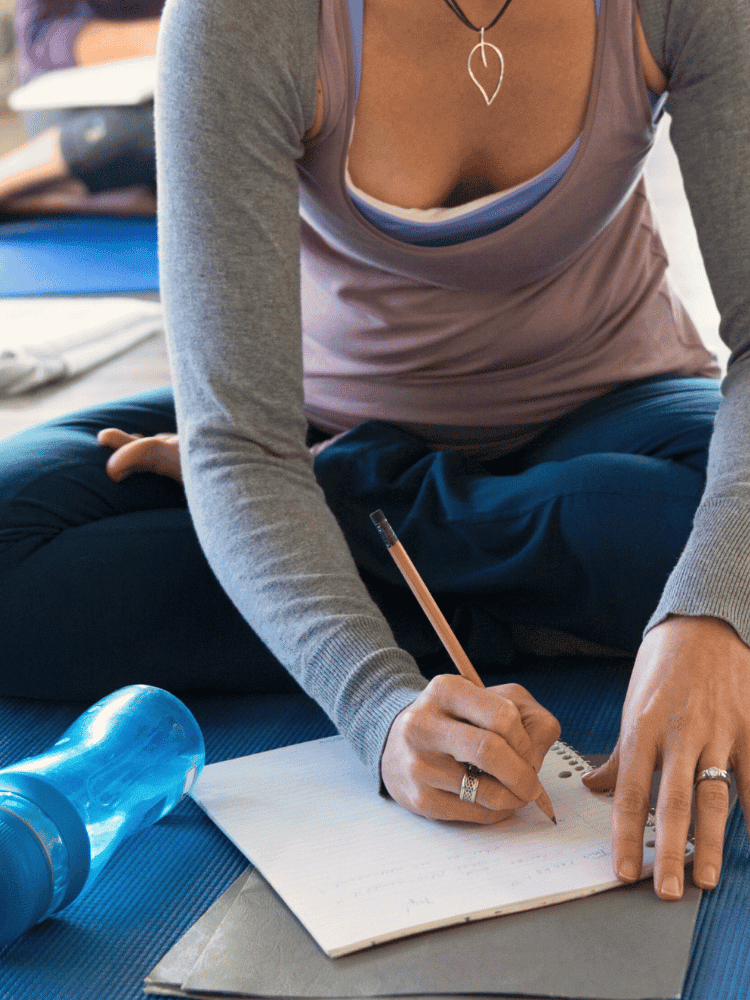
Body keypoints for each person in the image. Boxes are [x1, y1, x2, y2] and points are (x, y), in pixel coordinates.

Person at [0, 0, 748, 906]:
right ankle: (520, 596)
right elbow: (240, 441)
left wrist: (710, 614)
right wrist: (380, 708)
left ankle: (366, 524)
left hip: (611, 404)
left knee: (704, 537)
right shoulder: (241, 22)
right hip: (312, 422)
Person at [0, 0, 163, 213]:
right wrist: (162, 36)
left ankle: (84, 196)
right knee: (168, 121)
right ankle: (10, 175)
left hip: (162, 86)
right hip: (70, 95)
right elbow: (39, 38)